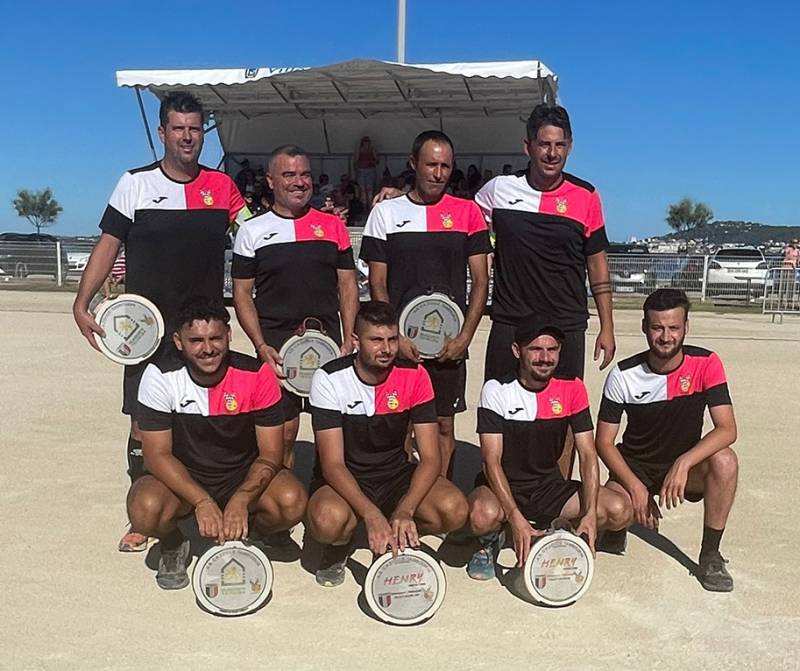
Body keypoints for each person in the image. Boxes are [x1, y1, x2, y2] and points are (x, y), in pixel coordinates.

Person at [72, 91, 249, 552]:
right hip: (146, 332)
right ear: (162, 132)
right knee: (142, 425)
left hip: (204, 333)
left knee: (203, 418)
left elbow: (253, 238)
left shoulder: (223, 188)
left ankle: (209, 501)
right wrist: (81, 301)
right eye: (178, 128)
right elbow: (109, 244)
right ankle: (145, 511)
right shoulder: (133, 184)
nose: (187, 137)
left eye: (194, 129)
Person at [475, 103, 615, 478]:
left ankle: (557, 495)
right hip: (510, 320)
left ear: (569, 147)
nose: (551, 153)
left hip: (566, 323)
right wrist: (400, 193)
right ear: (528, 147)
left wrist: (607, 325)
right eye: (543, 144)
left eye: (559, 145)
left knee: (566, 414)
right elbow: (457, 217)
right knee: (501, 408)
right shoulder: (497, 192)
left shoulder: (586, 196)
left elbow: (597, 263)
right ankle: (499, 495)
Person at [127, 297, 307, 589]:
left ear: (229, 336)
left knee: (292, 501)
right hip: (185, 477)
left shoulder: (256, 374)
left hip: (241, 474)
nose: (207, 348)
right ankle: (173, 542)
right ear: (178, 341)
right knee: (144, 510)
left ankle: (255, 531)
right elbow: (157, 455)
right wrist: (202, 500)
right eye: (196, 340)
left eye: (215, 338)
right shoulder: (159, 376)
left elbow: (272, 453)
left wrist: (241, 498)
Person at [306, 301, 468, 587]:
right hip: (345, 477)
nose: (387, 349)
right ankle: (341, 544)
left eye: (392, 339)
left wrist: (405, 509)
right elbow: (332, 464)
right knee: (327, 522)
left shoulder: (416, 375)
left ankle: (400, 530)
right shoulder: (328, 378)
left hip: (394, 475)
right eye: (376, 340)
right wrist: (370, 515)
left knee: (454, 509)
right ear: (356, 341)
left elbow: (430, 458)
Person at [360, 130, 492, 478]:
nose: (438, 173)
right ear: (413, 164)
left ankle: (442, 493)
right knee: (401, 426)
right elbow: (377, 283)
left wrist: (465, 337)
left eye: (446, 166)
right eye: (431, 164)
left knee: (444, 428)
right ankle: (402, 496)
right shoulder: (386, 214)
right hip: (401, 345)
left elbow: (481, 282)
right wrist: (394, 337)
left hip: (449, 345)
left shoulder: (468, 213)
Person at [466, 315, 630, 580]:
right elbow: (491, 461)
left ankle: (558, 528)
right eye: (536, 349)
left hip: (548, 487)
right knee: (480, 516)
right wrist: (514, 515)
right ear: (517, 351)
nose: (545, 357)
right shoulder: (496, 390)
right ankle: (491, 539)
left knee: (619, 510)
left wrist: (589, 513)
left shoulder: (573, 388)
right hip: (503, 486)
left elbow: (588, 454)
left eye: (552, 349)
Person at [595, 289, 738, 592]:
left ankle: (711, 554)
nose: (665, 336)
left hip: (686, 468)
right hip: (636, 466)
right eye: (657, 327)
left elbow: (727, 429)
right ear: (644, 327)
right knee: (611, 510)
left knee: (725, 460)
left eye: (674, 327)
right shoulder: (623, 374)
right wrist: (636, 488)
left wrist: (683, 462)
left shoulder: (707, 363)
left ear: (686, 327)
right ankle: (619, 525)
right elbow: (604, 442)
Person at [232, 144, 359, 469]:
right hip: (276, 349)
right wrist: (261, 346)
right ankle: (282, 506)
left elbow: (347, 285)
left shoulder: (332, 227)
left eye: (304, 174)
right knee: (284, 436)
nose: (299, 182)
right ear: (272, 180)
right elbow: (242, 294)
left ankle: (327, 504)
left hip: (329, 345)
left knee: (332, 434)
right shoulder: (252, 231)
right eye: (289, 174)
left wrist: (349, 336)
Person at [353, 136, 379, 208]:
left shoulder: (372, 150)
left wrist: (371, 161)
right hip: (361, 170)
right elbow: (355, 162)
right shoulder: (359, 150)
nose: (366, 145)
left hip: (370, 170)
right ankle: (364, 206)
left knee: (370, 189)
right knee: (362, 190)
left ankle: (370, 206)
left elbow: (377, 160)